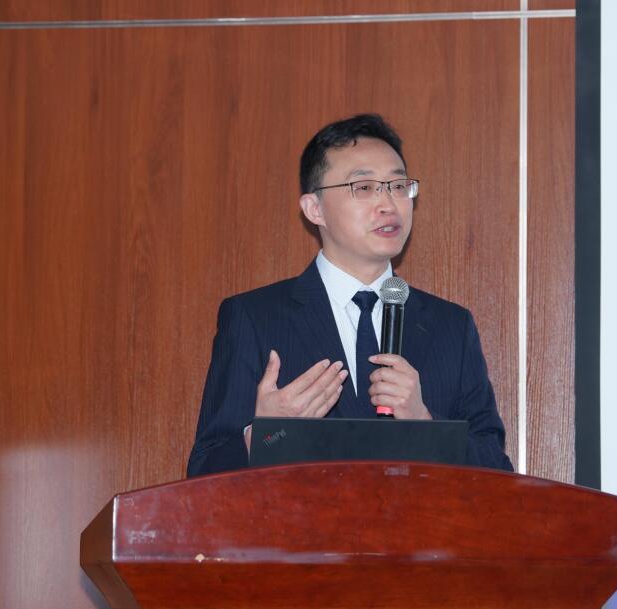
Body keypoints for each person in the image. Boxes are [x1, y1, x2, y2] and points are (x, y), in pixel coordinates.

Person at [187, 114, 513, 476]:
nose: (388, 204)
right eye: (365, 187)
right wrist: (265, 434)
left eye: (398, 186)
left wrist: (423, 422)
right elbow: (204, 472)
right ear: (315, 209)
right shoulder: (254, 317)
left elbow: (496, 470)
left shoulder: (450, 326)